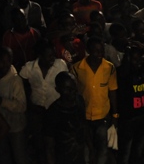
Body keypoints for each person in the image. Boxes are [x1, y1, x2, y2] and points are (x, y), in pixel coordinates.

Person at [70, 36, 118, 164]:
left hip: (103, 116)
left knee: (103, 148)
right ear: (88, 51)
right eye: (96, 51)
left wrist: (115, 115)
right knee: (86, 147)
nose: (99, 54)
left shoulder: (109, 68)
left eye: (101, 51)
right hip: (84, 116)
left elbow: (112, 91)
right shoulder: (76, 68)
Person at [0, 47, 28, 164]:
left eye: (9, 61)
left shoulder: (15, 80)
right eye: (2, 61)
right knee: (3, 156)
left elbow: (22, 106)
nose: (6, 64)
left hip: (15, 126)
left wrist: (2, 101)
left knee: (19, 156)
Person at [44, 72, 89, 164]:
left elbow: (84, 126)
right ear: (58, 90)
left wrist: (90, 149)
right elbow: (49, 147)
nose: (72, 91)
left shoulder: (79, 101)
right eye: (67, 89)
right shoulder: (53, 112)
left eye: (74, 87)